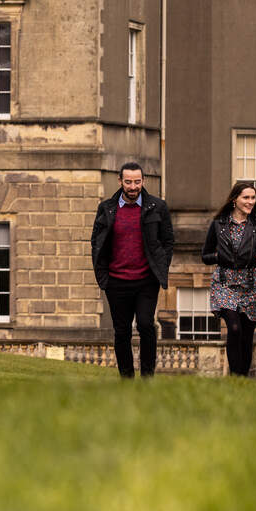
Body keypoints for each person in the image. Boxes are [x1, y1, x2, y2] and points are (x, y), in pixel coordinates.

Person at [91, 162, 176, 379]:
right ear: (120, 181)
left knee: (146, 325)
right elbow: (97, 242)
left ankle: (147, 377)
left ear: (143, 181)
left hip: (146, 280)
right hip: (116, 281)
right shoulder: (106, 208)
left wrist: (160, 268)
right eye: (128, 182)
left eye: (137, 182)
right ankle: (126, 378)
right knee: (122, 332)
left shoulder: (158, 207)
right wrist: (103, 277)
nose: (133, 186)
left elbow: (168, 241)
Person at [201, 181, 256, 377]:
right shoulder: (218, 224)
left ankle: (242, 379)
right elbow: (205, 255)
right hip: (224, 284)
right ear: (234, 199)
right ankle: (235, 377)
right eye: (246, 197)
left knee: (246, 336)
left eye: (253, 198)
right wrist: (218, 257)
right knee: (234, 329)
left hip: (251, 286)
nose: (250, 201)